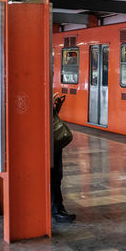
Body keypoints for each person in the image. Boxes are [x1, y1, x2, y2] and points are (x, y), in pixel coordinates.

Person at [52, 92, 76, 223]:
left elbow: (51, 116)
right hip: (47, 140)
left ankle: (58, 208)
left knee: (57, 175)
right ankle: (57, 210)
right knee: (54, 174)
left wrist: (55, 107)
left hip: (53, 140)